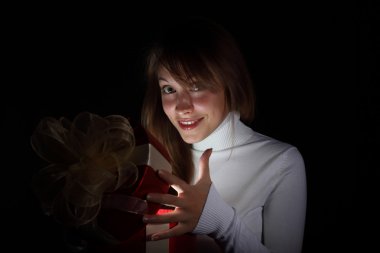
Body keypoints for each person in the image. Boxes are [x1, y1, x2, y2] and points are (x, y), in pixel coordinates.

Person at [140, 16, 307, 253]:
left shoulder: (281, 162)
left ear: (230, 83)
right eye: (169, 89)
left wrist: (222, 223)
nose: (181, 106)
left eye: (196, 87)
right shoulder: (151, 157)